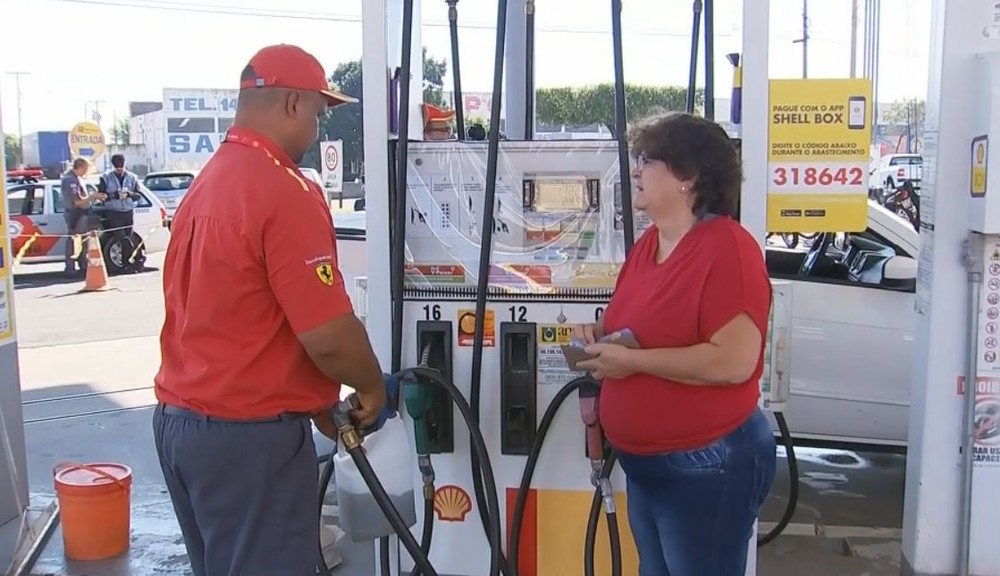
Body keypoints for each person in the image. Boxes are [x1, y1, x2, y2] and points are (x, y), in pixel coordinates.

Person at [153, 44, 386, 576]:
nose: (318, 130)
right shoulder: (284, 189)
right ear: (293, 104)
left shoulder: (206, 184)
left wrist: (310, 400)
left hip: (182, 427)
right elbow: (328, 335)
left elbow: (238, 321)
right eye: (318, 115)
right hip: (247, 443)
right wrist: (371, 387)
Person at [574, 112, 777, 576]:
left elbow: (734, 361)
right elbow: (642, 323)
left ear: (687, 176)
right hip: (648, 466)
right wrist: (599, 335)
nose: (635, 171)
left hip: (708, 462)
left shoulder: (728, 248)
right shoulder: (650, 245)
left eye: (647, 161)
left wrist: (635, 363)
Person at [97, 154, 145, 272]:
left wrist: (128, 194)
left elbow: (138, 195)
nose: (119, 169)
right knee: (124, 239)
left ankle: (127, 265)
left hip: (128, 212)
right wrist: (114, 195)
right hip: (113, 212)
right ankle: (130, 262)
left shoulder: (132, 177)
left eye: (121, 166)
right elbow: (101, 196)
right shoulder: (105, 177)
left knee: (128, 238)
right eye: (117, 166)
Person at [59, 157, 106, 277]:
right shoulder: (70, 181)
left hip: (81, 213)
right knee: (73, 241)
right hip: (75, 214)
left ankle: (82, 265)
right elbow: (77, 202)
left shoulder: (77, 179)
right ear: (80, 167)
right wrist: (92, 196)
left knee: (84, 240)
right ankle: (71, 268)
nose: (86, 171)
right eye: (86, 168)